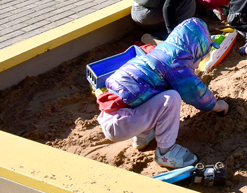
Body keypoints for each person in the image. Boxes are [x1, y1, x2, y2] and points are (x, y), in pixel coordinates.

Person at [96, 18, 229, 169]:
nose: (198, 64)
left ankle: (143, 136)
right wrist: (216, 105)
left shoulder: (161, 52)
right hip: (120, 123)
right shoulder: (177, 60)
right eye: (200, 59)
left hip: (114, 116)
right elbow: (193, 91)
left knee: (152, 91)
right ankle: (166, 152)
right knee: (171, 98)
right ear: (196, 51)